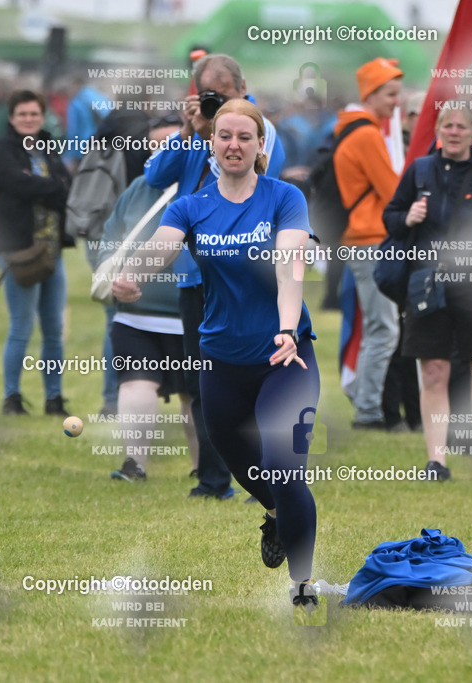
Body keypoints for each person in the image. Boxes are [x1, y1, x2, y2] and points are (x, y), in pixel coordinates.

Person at [114, 98, 321, 611]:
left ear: (259, 147)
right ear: (212, 144)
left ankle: (303, 584)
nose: (233, 144)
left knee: (284, 465)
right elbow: (163, 245)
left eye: (244, 137)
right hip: (221, 358)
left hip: (284, 356)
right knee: (237, 458)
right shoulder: (192, 205)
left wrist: (288, 328)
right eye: (224, 135)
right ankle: (278, 515)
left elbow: (289, 264)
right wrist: (134, 277)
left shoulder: (284, 197)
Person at [145, 52, 287, 501]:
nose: (217, 106)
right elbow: (153, 176)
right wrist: (191, 132)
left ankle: (262, 475)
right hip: (195, 275)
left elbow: (261, 184)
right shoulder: (198, 129)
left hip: (247, 275)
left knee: (258, 378)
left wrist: (220, 136)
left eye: (223, 97)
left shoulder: (257, 130)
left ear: (243, 89)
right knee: (202, 380)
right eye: (208, 97)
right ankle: (213, 479)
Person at [382, 103, 472, 481]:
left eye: (462, 126)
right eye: (448, 125)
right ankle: (436, 461)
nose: (455, 132)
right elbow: (391, 217)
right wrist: (407, 217)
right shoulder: (420, 170)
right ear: (439, 130)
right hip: (427, 283)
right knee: (433, 371)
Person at [97, 121, 201, 484]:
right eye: (155, 147)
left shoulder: (202, 188)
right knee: (136, 382)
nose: (162, 154)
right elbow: (110, 239)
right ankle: (135, 463)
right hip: (135, 313)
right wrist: (111, 279)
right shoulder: (139, 188)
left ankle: (204, 469)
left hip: (189, 311)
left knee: (193, 394)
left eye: (172, 145)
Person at [0, 89, 72, 417]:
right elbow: (14, 184)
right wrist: (48, 187)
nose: (29, 119)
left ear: (42, 116)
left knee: (53, 328)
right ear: (11, 117)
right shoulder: (0, 151)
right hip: (19, 251)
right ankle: (12, 398)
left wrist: (41, 185)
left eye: (34, 113)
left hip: (53, 251)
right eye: (22, 114)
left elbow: (66, 185)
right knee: (21, 325)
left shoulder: (48, 149)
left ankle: (54, 398)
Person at [333, 57, 403, 430]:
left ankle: (365, 402)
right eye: (391, 94)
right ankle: (368, 411)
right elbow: (393, 192)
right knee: (384, 329)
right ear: (371, 94)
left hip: (361, 240)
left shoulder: (353, 130)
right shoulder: (367, 134)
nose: (397, 102)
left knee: (376, 326)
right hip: (371, 240)